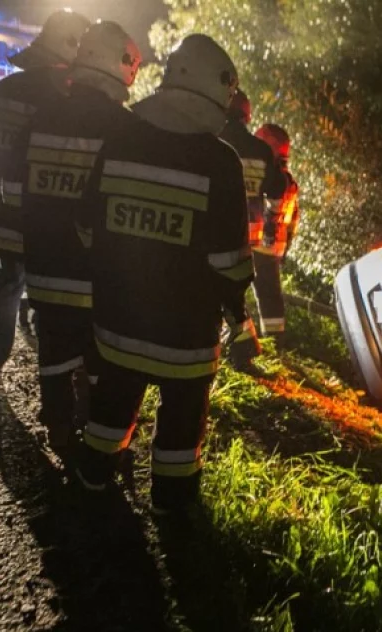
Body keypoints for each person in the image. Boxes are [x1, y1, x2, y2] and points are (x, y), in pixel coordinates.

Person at [78, 33, 253, 514]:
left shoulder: (120, 136)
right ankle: (172, 507)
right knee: (181, 422)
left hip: (117, 324)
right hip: (186, 340)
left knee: (112, 403)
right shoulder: (220, 163)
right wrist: (241, 319)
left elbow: (87, 222)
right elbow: (229, 261)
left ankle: (92, 478)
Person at [16, 21, 142, 450]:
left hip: (45, 265)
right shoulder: (124, 129)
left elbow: (14, 187)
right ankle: (96, 432)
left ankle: (56, 424)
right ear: (123, 67)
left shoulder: (42, 116)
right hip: (96, 276)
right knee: (98, 356)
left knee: (52, 348)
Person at [0, 9, 90, 400]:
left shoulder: (2, 91)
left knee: (7, 283)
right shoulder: (66, 102)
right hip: (48, 219)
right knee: (49, 298)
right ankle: (57, 388)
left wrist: (0, 171)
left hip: (5, 217)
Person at [218, 89, 286, 368]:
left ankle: (241, 345)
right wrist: (273, 218)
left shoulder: (214, 140)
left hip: (217, 230)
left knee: (220, 289)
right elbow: (278, 190)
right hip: (250, 236)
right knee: (235, 289)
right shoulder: (260, 150)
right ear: (247, 116)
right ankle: (241, 345)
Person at [252, 123, 301, 338]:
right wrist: (285, 247)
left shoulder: (270, 177)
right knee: (270, 297)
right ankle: (274, 344)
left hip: (257, 242)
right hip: (273, 248)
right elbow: (293, 220)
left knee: (230, 287)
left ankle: (242, 340)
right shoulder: (289, 180)